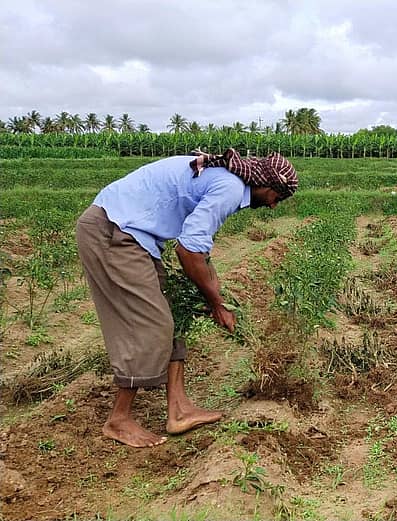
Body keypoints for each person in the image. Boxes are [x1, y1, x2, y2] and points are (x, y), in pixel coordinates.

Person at [75, 149, 297, 448]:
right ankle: (119, 419)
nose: (272, 206)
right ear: (267, 186)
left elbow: (200, 251)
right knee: (153, 324)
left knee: (174, 315)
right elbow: (188, 251)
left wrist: (215, 296)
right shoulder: (230, 188)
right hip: (113, 232)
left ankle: (179, 410)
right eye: (277, 198)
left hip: (137, 237)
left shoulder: (226, 181)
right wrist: (216, 303)